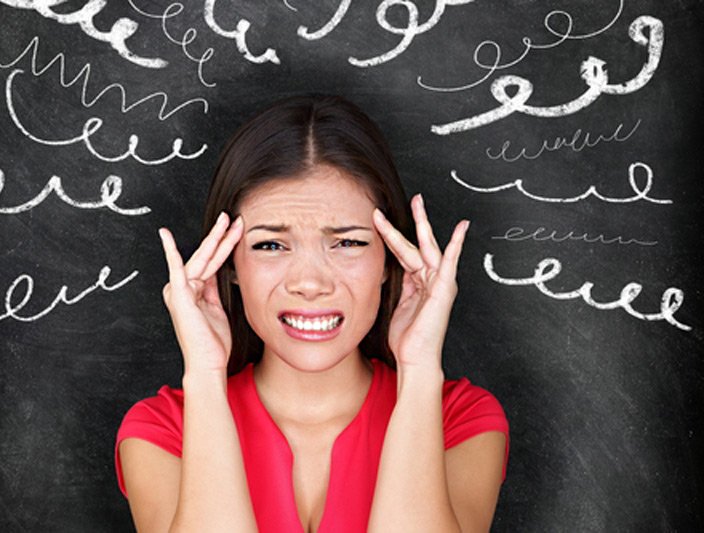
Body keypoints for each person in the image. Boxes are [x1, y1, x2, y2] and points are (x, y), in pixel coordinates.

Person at [115, 95, 509, 533]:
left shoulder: (460, 420)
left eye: (348, 243)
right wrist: (205, 373)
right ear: (229, 265)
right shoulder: (162, 430)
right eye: (270, 245)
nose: (309, 282)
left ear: (389, 260)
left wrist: (418, 368)